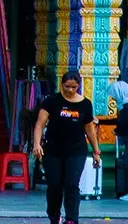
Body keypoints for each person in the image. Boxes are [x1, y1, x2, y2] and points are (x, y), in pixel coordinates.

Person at [32, 73, 100, 224]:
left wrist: (96, 151)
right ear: (61, 85)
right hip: (53, 150)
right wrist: (36, 144)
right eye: (67, 86)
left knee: (71, 184)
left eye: (74, 87)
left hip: (76, 150)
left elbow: (89, 129)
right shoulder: (51, 101)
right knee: (55, 185)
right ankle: (54, 215)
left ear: (79, 86)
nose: (70, 90)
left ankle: (71, 219)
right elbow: (40, 124)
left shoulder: (85, 104)